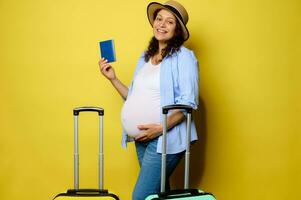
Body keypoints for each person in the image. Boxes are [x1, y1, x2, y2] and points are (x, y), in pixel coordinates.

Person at [99, 1, 199, 199]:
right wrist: (113, 79)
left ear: (177, 30)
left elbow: (188, 103)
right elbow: (133, 98)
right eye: (159, 19)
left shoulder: (184, 57)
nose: (161, 24)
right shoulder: (145, 58)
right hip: (143, 139)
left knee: (141, 197)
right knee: (159, 194)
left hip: (165, 139)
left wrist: (159, 128)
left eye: (169, 22)